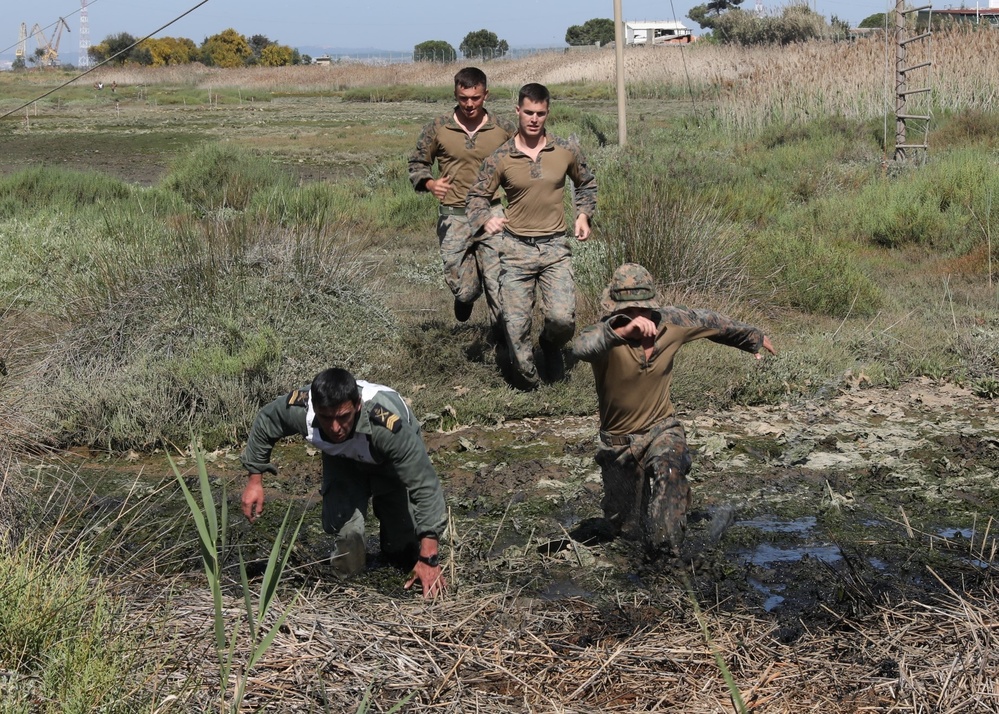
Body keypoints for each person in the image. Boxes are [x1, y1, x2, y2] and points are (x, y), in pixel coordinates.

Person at [572, 263, 777, 560]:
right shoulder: (603, 336)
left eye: (641, 309)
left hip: (662, 429)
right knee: (625, 530)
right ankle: (641, 529)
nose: (637, 316)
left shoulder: (671, 322)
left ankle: (669, 554)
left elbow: (711, 320)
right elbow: (579, 347)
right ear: (615, 310)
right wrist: (623, 331)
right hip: (617, 445)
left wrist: (752, 338)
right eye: (627, 311)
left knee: (669, 474)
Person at [239, 368, 447, 598]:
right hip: (342, 459)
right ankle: (349, 589)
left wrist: (429, 557)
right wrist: (254, 480)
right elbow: (267, 420)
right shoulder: (300, 409)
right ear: (314, 407)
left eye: (343, 417)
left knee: (403, 547)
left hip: (386, 457)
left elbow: (425, 486)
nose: (335, 428)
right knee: (349, 536)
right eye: (326, 418)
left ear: (357, 405)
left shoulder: (389, 427)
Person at [466, 82, 597, 390]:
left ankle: (550, 346)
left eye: (540, 113)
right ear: (518, 111)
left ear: (547, 113)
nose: (534, 119)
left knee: (562, 320)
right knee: (515, 325)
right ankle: (528, 382)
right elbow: (475, 197)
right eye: (528, 113)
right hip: (514, 250)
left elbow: (586, 182)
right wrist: (485, 219)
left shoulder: (565, 150)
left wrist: (583, 214)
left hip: (554, 248)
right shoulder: (500, 157)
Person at [408, 67, 516, 329]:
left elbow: (525, 159)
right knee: (465, 289)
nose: (469, 104)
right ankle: (466, 296)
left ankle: (503, 347)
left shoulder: (504, 128)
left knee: (499, 286)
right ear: (455, 94)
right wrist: (430, 183)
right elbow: (417, 163)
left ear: (485, 95)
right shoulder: (438, 127)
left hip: (492, 213)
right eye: (463, 98)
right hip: (454, 216)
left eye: (475, 98)